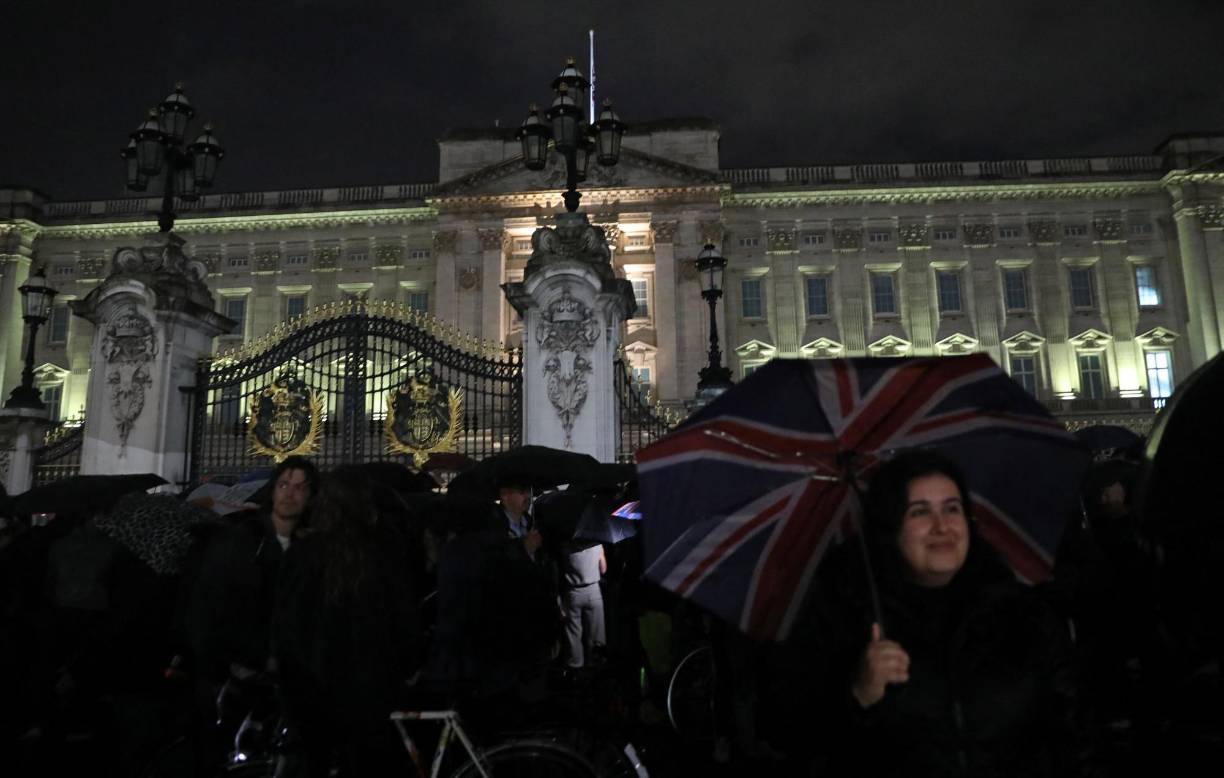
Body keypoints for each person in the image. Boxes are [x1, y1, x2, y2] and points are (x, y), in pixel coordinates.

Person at [796, 449, 1087, 776]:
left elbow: (1074, 731)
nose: (941, 526)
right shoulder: (847, 618)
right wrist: (858, 696)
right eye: (919, 512)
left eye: (952, 508)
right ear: (890, 527)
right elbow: (808, 745)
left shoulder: (1023, 615)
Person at [274, 465, 418, 777]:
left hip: (314, 689)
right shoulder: (383, 551)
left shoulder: (306, 553)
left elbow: (289, 625)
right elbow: (403, 620)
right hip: (372, 690)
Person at [560, 542, 606, 668]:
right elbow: (603, 569)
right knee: (596, 635)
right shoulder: (597, 545)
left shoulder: (566, 547)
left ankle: (575, 666)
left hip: (573, 591)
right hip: (593, 591)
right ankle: (595, 665)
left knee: (573, 634)